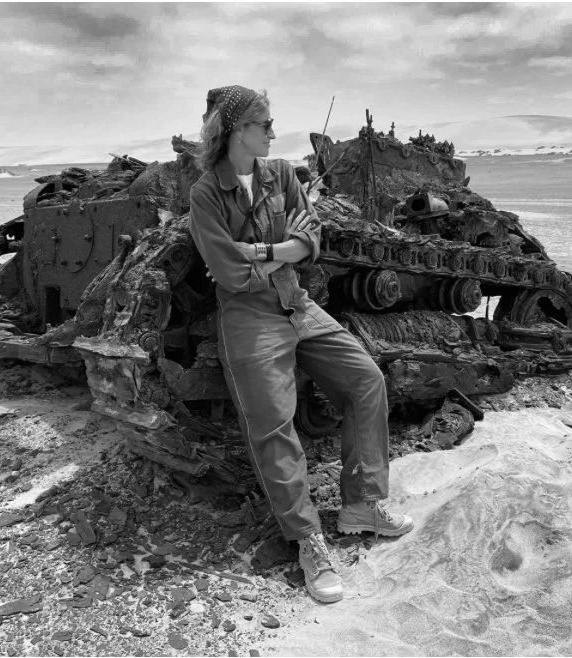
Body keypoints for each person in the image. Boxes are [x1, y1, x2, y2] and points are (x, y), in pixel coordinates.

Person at [187, 86, 414, 604]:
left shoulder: (283, 174)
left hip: (295, 302)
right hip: (248, 317)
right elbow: (227, 272)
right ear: (235, 131)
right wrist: (279, 253)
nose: (273, 132)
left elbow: (310, 240)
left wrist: (262, 251)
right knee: (273, 424)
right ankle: (308, 539)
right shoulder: (206, 193)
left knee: (366, 380)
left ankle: (361, 505)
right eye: (264, 124)